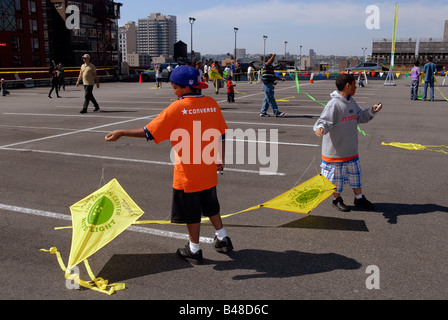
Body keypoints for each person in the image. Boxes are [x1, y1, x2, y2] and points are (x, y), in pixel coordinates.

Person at [105, 65, 233, 265]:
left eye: (174, 87)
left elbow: (149, 132)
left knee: (191, 212)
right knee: (210, 204)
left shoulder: (178, 107)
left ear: (183, 88)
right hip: (208, 167)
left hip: (187, 173)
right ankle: (223, 237)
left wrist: (122, 132)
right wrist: (220, 158)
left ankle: (194, 249)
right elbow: (222, 134)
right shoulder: (211, 103)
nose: (173, 91)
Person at [313, 74, 382, 212]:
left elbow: (359, 116)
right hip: (336, 152)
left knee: (355, 176)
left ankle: (359, 198)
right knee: (336, 180)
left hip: (350, 150)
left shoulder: (351, 101)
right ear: (347, 86)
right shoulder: (334, 104)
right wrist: (320, 128)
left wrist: (371, 111)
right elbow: (323, 121)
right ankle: (336, 199)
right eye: (354, 84)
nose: (356, 87)